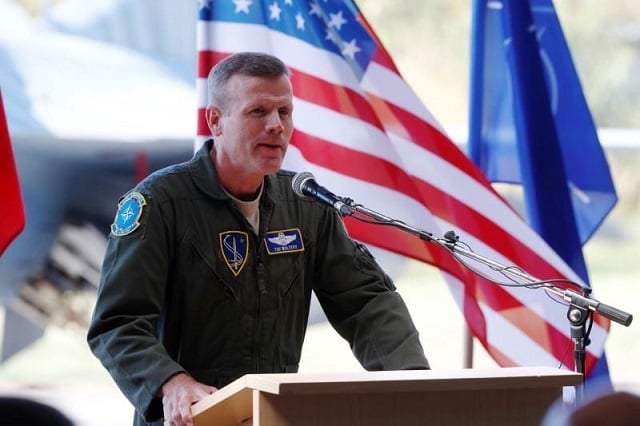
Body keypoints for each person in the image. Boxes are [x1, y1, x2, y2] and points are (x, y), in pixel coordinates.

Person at [87, 51, 429, 426]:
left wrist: (410, 383)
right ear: (216, 121)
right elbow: (118, 323)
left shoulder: (305, 204)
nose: (276, 126)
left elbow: (365, 302)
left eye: (285, 112)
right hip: (190, 419)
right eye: (258, 112)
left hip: (271, 416)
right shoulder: (160, 203)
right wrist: (172, 383)